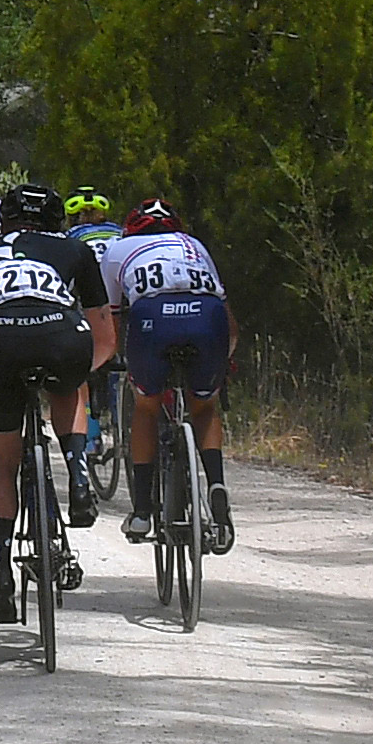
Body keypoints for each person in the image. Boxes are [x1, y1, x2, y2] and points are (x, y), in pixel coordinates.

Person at [0, 185, 118, 624]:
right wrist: (78, 374)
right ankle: (78, 474)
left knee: (2, 464)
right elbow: (106, 339)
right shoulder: (77, 250)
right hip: (61, 338)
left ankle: (1, 567)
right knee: (70, 384)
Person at [107, 199, 238, 548]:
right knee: (204, 407)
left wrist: (115, 358)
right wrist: (225, 360)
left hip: (153, 317)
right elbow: (228, 317)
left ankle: (142, 511)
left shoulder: (117, 250)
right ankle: (215, 486)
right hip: (206, 315)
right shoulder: (194, 246)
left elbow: (112, 317)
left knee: (147, 407)